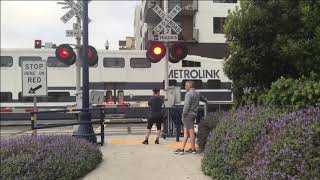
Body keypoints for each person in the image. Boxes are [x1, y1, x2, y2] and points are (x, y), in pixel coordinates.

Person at [174, 81, 200, 155]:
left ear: (190, 86)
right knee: (186, 132)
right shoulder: (197, 93)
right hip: (194, 114)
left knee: (190, 132)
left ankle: (190, 149)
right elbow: (202, 99)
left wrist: (183, 114)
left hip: (188, 115)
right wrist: (206, 101)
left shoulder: (188, 94)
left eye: (186, 86)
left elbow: (186, 105)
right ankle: (186, 148)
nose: (185, 87)